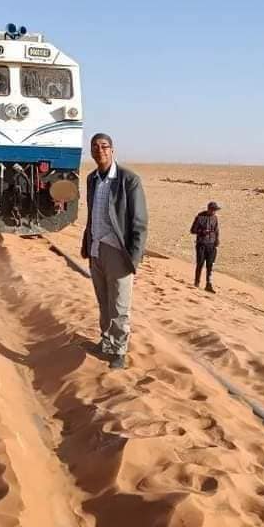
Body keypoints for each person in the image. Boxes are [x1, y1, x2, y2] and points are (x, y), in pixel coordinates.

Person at [80, 133, 148, 370]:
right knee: (104, 303)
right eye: (95, 147)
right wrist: (87, 244)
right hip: (97, 249)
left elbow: (139, 222)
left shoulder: (129, 180)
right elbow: (92, 216)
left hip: (118, 253)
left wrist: (134, 259)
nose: (99, 151)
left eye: (104, 146)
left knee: (119, 306)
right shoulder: (92, 179)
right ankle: (106, 341)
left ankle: (119, 351)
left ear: (112, 150)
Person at [190, 201, 220, 292]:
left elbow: (216, 230)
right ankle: (197, 282)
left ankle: (208, 284)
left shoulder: (215, 218)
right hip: (201, 244)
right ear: (209, 209)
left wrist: (217, 240)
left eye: (215, 210)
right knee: (200, 263)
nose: (214, 212)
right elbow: (192, 230)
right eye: (213, 210)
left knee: (210, 265)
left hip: (211, 245)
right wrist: (202, 231)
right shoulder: (200, 217)